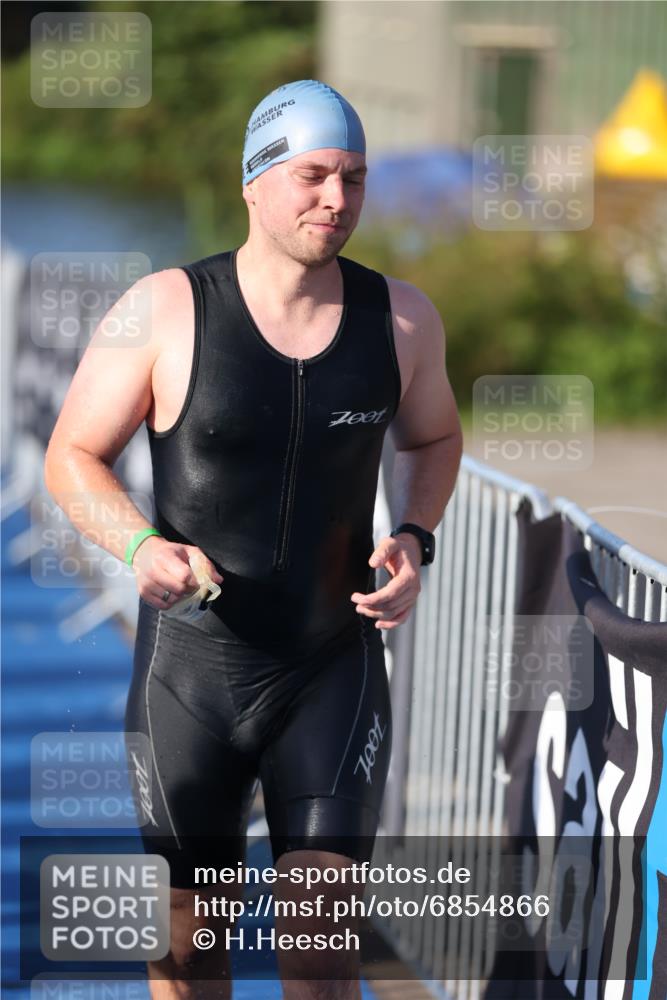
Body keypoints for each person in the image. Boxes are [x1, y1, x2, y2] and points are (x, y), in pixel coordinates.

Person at [44, 79, 463, 1000]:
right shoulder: (162, 308)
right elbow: (72, 456)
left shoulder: (401, 319)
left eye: (353, 179)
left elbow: (433, 438)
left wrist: (415, 538)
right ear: (255, 180)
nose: (336, 200)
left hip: (331, 665)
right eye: (314, 175)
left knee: (320, 944)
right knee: (188, 945)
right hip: (192, 673)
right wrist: (140, 546)